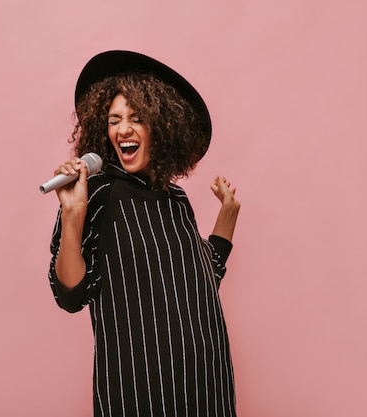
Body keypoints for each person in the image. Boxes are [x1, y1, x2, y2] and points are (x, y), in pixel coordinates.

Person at [47, 50, 240, 416]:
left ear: (163, 126)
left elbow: (201, 279)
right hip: (140, 391)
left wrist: (228, 213)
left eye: (137, 118)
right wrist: (72, 215)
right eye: (114, 120)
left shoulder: (176, 199)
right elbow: (70, 293)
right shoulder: (98, 191)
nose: (123, 129)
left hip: (206, 385)